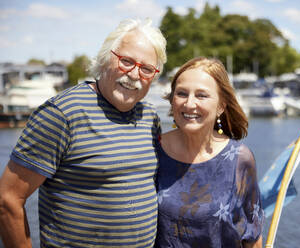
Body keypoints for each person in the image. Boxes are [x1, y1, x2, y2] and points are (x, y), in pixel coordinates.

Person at [0, 18, 166, 247]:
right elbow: (8, 200)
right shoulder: (62, 114)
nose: (135, 75)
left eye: (147, 69)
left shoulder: (150, 117)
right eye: (126, 61)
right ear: (106, 58)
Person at [155, 57, 264, 248]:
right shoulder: (154, 150)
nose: (189, 104)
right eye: (181, 93)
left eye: (201, 95)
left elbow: (252, 237)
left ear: (221, 106)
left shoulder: (240, 159)